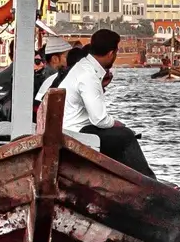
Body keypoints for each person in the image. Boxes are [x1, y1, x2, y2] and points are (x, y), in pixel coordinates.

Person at [61, 28, 155, 178]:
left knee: (119, 135)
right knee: (126, 136)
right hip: (76, 132)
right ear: (111, 53)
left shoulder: (83, 67)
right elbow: (99, 119)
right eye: (116, 53)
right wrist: (116, 123)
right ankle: (148, 182)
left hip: (71, 127)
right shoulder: (89, 75)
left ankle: (128, 179)